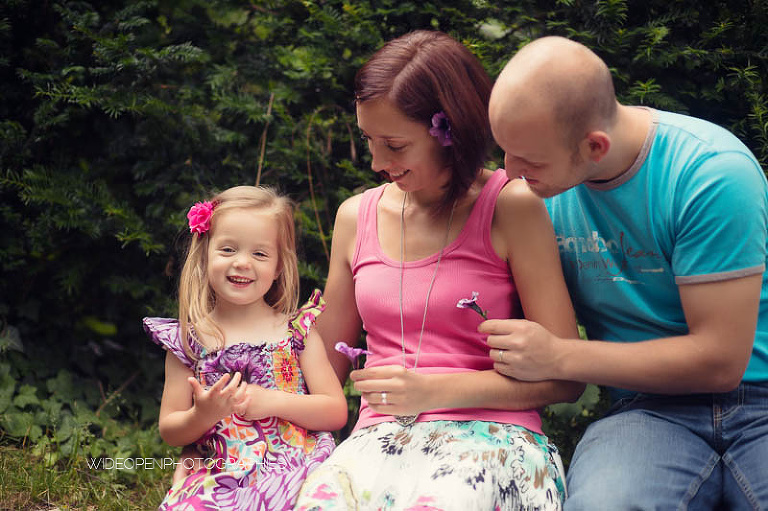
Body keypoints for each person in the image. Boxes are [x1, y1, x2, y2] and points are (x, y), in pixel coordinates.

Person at [294, 30, 584, 510]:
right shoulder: (355, 218)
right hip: (377, 444)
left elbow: (567, 376)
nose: (376, 162)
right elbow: (322, 368)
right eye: (368, 140)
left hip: (491, 443)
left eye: (394, 145)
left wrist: (436, 389)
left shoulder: (511, 207)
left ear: (449, 132)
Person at [486, 35, 768, 509]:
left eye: (530, 161)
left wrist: (559, 357)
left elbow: (721, 361)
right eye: (505, 152)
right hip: (646, 410)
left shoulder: (711, 173)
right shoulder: (531, 197)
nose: (510, 174)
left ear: (595, 146)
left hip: (760, 399)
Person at [143, 185, 347, 510]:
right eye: (227, 250)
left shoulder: (295, 331)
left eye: (260, 254)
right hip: (223, 472)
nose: (242, 263)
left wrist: (273, 402)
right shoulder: (189, 341)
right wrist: (202, 415)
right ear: (205, 254)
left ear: (279, 266)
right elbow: (171, 430)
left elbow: (335, 411)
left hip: (296, 464)